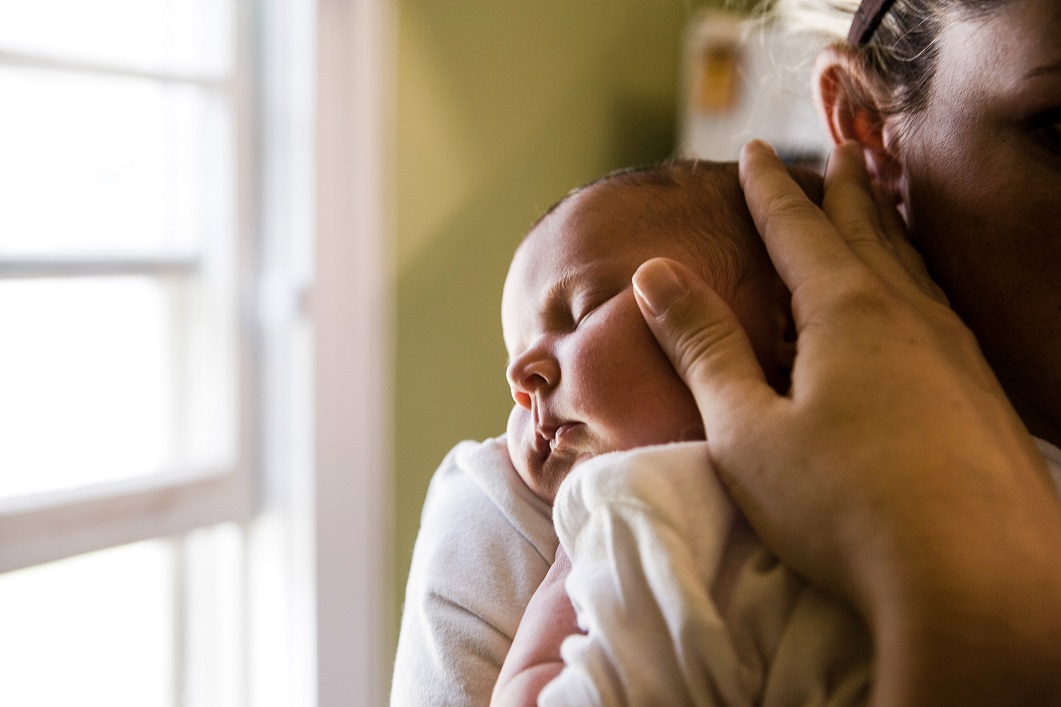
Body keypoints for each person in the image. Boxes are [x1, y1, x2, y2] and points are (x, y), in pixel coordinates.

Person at [393, 0, 1061, 703]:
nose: (523, 376)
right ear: (872, 132)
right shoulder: (529, 518)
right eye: (1058, 128)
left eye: (583, 310)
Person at [492, 160, 880, 707]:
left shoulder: (635, 501)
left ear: (792, 317)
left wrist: (565, 574)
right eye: (515, 356)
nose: (519, 378)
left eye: (579, 314)